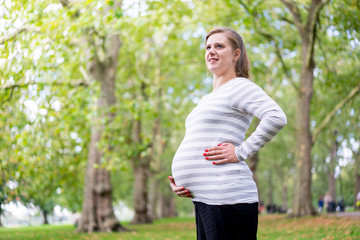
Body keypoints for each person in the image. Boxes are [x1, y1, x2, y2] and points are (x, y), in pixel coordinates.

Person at [168, 27, 287, 240]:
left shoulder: (239, 86)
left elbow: (276, 117)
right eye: (208, 47)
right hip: (206, 199)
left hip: (227, 198)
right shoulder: (208, 98)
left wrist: (241, 152)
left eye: (219, 46)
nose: (211, 51)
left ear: (236, 54)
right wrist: (181, 180)